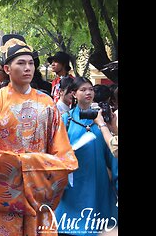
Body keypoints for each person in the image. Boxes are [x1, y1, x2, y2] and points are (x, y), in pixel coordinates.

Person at [0, 37, 79, 235]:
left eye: (30, 63)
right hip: (5, 196)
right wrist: (29, 163)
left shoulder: (47, 104)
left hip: (39, 194)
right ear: (7, 69)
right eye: (21, 63)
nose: (27, 68)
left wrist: (41, 170)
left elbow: (62, 153)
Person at [56, 77, 118, 235]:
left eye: (90, 89)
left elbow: (112, 154)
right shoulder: (66, 119)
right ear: (74, 94)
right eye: (83, 90)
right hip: (74, 179)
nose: (88, 92)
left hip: (98, 179)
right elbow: (58, 150)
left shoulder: (103, 119)